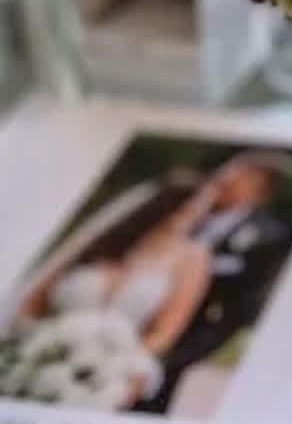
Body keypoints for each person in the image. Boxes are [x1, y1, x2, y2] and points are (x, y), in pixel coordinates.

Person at [17, 172, 222, 405]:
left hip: (116, 364)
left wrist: (113, 362)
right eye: (187, 202)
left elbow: (163, 334)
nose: (193, 211)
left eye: (203, 207)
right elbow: (35, 299)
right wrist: (37, 339)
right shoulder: (105, 236)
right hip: (44, 346)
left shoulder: (193, 258)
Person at [137, 152, 292, 415]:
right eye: (234, 172)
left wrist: (183, 355)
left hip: (183, 338)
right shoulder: (179, 208)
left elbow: (244, 304)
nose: (232, 181)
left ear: (261, 195)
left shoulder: (267, 236)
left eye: (250, 180)